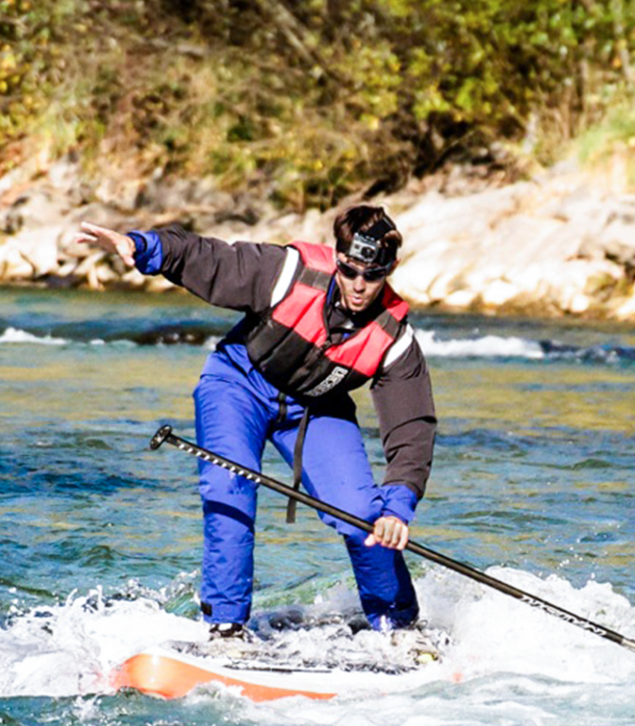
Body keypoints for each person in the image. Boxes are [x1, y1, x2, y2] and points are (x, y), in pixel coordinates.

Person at [76, 206, 436, 641]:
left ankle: (399, 629)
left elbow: (412, 427)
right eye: (350, 270)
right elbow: (211, 259)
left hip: (316, 407)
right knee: (230, 489)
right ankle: (226, 628)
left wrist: (399, 504)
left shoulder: (395, 339)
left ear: (390, 271)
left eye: (373, 276)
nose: (359, 287)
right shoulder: (289, 273)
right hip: (237, 387)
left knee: (366, 517)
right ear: (338, 257)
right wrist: (143, 246)